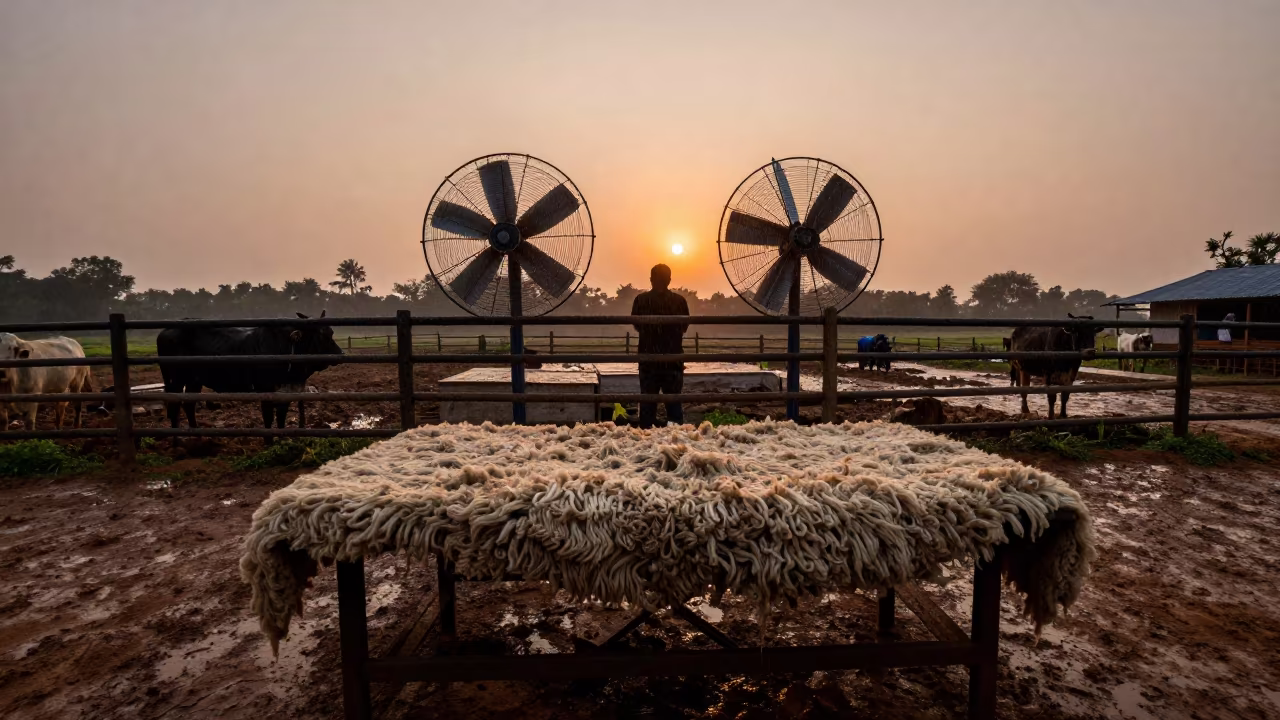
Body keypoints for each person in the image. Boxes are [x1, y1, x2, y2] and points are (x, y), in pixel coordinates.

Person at [630, 264, 690, 428]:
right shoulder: (679, 301)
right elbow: (684, 327)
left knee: (648, 404)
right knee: (673, 405)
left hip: (649, 360)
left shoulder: (641, 300)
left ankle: (647, 437)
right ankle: (675, 439)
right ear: (669, 280)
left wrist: (653, 333)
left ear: (651, 279)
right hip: (672, 359)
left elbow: (636, 325)